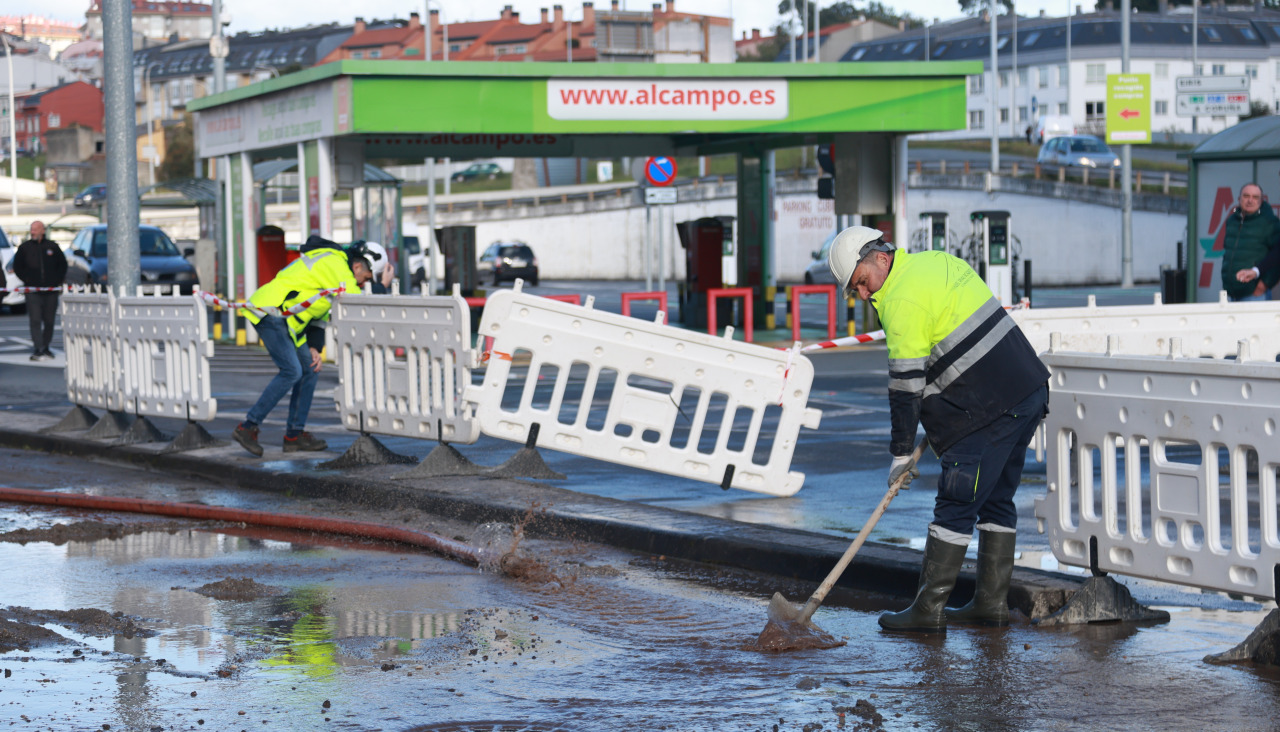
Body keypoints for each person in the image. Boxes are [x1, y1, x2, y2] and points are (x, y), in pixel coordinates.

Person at [828, 226, 1050, 633]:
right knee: (997, 501)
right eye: (853, 291)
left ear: (879, 257)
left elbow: (906, 387)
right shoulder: (935, 262)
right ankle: (989, 604)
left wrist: (900, 455)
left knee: (956, 500)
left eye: (860, 282)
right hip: (1026, 391)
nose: (861, 294)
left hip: (990, 408)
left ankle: (927, 611)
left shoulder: (900, 300)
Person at [232, 235, 373, 457]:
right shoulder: (336, 264)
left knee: (309, 368)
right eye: (365, 279)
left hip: (286, 321)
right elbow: (355, 301)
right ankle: (247, 427)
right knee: (291, 371)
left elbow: (318, 312)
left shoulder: (335, 268)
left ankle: (294, 436)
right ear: (356, 266)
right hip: (272, 311)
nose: (364, 284)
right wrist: (384, 286)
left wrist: (314, 347)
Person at [13, 220, 68, 361]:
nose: (33, 232)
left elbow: (62, 265)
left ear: (42, 230)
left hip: (51, 291)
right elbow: (17, 266)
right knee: (35, 320)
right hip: (33, 291)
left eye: (36, 229)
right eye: (31, 229)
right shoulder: (24, 248)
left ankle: (46, 346)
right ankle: (38, 348)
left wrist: (56, 281)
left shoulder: (52, 247)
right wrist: (27, 280)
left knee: (49, 321)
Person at [1221, 183, 1280, 302]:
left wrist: (1263, 285)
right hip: (1231, 294)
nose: (1250, 200)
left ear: (1261, 201)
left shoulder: (1270, 223)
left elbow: (1278, 256)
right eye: (1246, 196)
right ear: (1239, 199)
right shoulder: (1232, 220)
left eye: (1255, 197)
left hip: (1254, 295)